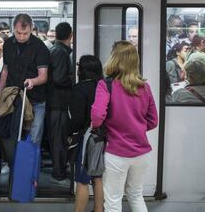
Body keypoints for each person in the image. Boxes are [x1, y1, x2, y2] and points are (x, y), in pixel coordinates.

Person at [91, 41, 158, 212]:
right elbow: (153, 121)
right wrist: (136, 127)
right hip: (142, 152)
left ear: (114, 59)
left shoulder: (106, 85)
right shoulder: (144, 87)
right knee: (136, 195)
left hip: (116, 152)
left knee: (113, 200)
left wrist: (102, 127)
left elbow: (97, 116)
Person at [0, 13, 50, 165]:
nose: (21, 36)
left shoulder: (40, 47)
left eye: (25, 33)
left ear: (31, 29)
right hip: (14, 97)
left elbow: (43, 76)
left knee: (34, 137)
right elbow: (5, 70)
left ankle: (30, 169)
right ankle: (14, 166)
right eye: (18, 33)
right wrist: (0, 93)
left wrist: (32, 81)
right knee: (13, 135)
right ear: (13, 29)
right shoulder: (7, 44)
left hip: (36, 99)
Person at [70, 55, 104, 212]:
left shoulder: (79, 89)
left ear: (82, 70)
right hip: (103, 136)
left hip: (86, 137)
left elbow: (76, 119)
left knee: (82, 180)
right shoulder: (103, 86)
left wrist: (69, 133)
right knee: (97, 178)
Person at [46, 22, 73, 187]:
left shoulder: (54, 50)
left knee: (58, 138)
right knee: (59, 140)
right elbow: (59, 78)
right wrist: (73, 78)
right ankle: (58, 175)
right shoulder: (61, 53)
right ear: (71, 35)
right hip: (58, 102)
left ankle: (60, 169)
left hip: (54, 101)